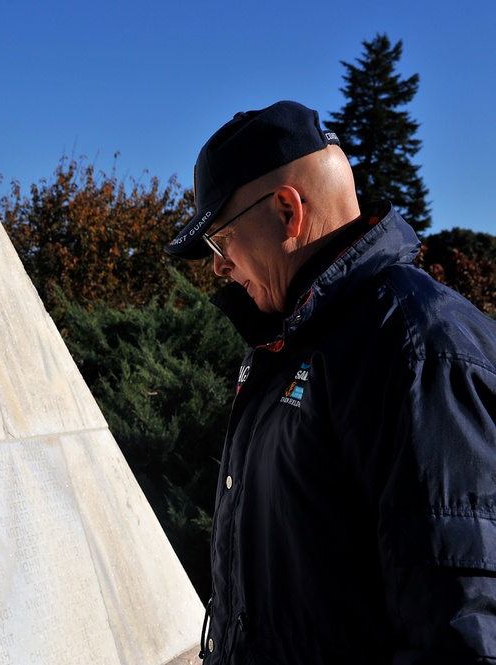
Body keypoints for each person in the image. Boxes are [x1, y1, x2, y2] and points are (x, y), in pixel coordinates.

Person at [164, 100, 496, 664]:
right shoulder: (294, 343)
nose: (218, 266)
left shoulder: (416, 348)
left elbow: (462, 635)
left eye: (221, 240)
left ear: (287, 210)